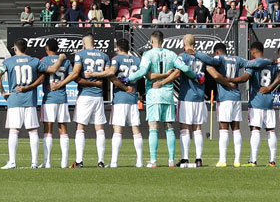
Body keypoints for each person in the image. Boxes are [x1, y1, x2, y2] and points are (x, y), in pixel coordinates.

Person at [126, 30, 198, 168]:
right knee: (169, 127)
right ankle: (171, 160)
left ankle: (153, 160)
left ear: (151, 41)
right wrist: (194, 76)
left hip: (153, 94)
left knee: (153, 127)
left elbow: (142, 72)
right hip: (168, 95)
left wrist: (128, 79)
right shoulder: (171, 54)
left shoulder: (148, 54)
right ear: (163, 41)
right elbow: (184, 68)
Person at [54, 33, 110, 168]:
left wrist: (60, 84)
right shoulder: (104, 56)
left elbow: (74, 74)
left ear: (84, 43)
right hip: (98, 96)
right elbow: (108, 73)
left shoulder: (80, 54)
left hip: (85, 94)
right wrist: (97, 81)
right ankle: (101, 161)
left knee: (81, 127)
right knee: (100, 128)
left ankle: (79, 161)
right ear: (94, 42)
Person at [193, 43, 249, 167]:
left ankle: (223, 160)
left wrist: (195, 53)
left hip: (225, 98)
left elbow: (209, 60)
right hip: (237, 97)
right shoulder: (237, 59)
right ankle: (237, 160)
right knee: (236, 129)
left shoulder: (220, 59)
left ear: (217, 52)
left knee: (223, 129)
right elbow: (249, 64)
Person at [0, 38, 42, 169]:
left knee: (14, 131)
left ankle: (12, 161)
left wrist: (3, 92)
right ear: (26, 48)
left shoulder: (9, 61)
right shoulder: (34, 61)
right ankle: (35, 162)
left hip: (15, 100)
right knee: (32, 131)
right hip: (30, 100)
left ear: (15, 49)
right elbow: (45, 73)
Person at [101, 38, 143, 168]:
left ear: (118, 48)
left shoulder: (117, 59)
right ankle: (140, 161)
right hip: (133, 98)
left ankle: (114, 162)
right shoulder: (137, 60)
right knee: (135, 129)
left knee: (117, 129)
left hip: (120, 98)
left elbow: (111, 73)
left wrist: (99, 73)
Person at [244, 43, 280, 167]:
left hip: (256, 101)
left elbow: (246, 76)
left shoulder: (254, 63)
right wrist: (271, 88)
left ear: (253, 51)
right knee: (270, 130)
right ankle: (272, 160)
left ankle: (253, 160)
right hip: (269, 101)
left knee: (255, 129)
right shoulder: (271, 64)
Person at [36, 39, 71, 169]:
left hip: (49, 98)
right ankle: (64, 162)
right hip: (62, 98)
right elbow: (73, 74)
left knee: (48, 129)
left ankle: (47, 162)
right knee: (63, 129)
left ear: (46, 48)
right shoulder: (66, 61)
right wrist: (62, 83)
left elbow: (40, 77)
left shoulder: (44, 60)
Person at [176, 34, 208, 168]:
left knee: (185, 127)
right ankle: (199, 159)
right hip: (200, 97)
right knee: (198, 128)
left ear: (184, 43)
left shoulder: (182, 57)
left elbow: (177, 72)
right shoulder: (202, 57)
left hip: (186, 96)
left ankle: (185, 158)